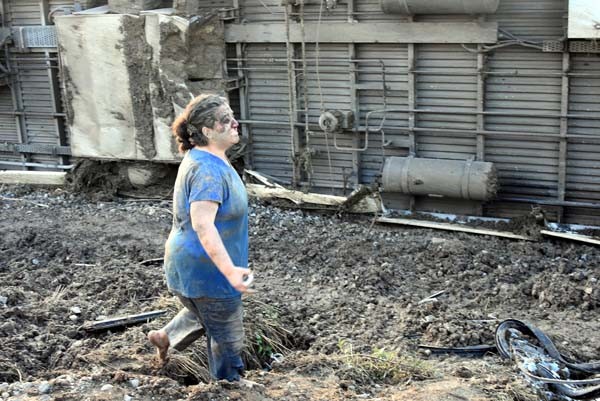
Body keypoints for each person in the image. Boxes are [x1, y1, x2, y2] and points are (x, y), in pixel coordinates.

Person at [148, 94, 252, 383]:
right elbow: (204, 225)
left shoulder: (205, 158)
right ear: (207, 131)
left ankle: (166, 336)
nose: (234, 123)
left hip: (188, 266)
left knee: (204, 312)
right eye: (225, 120)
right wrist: (230, 271)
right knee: (228, 336)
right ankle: (229, 386)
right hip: (207, 271)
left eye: (232, 115)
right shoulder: (207, 171)